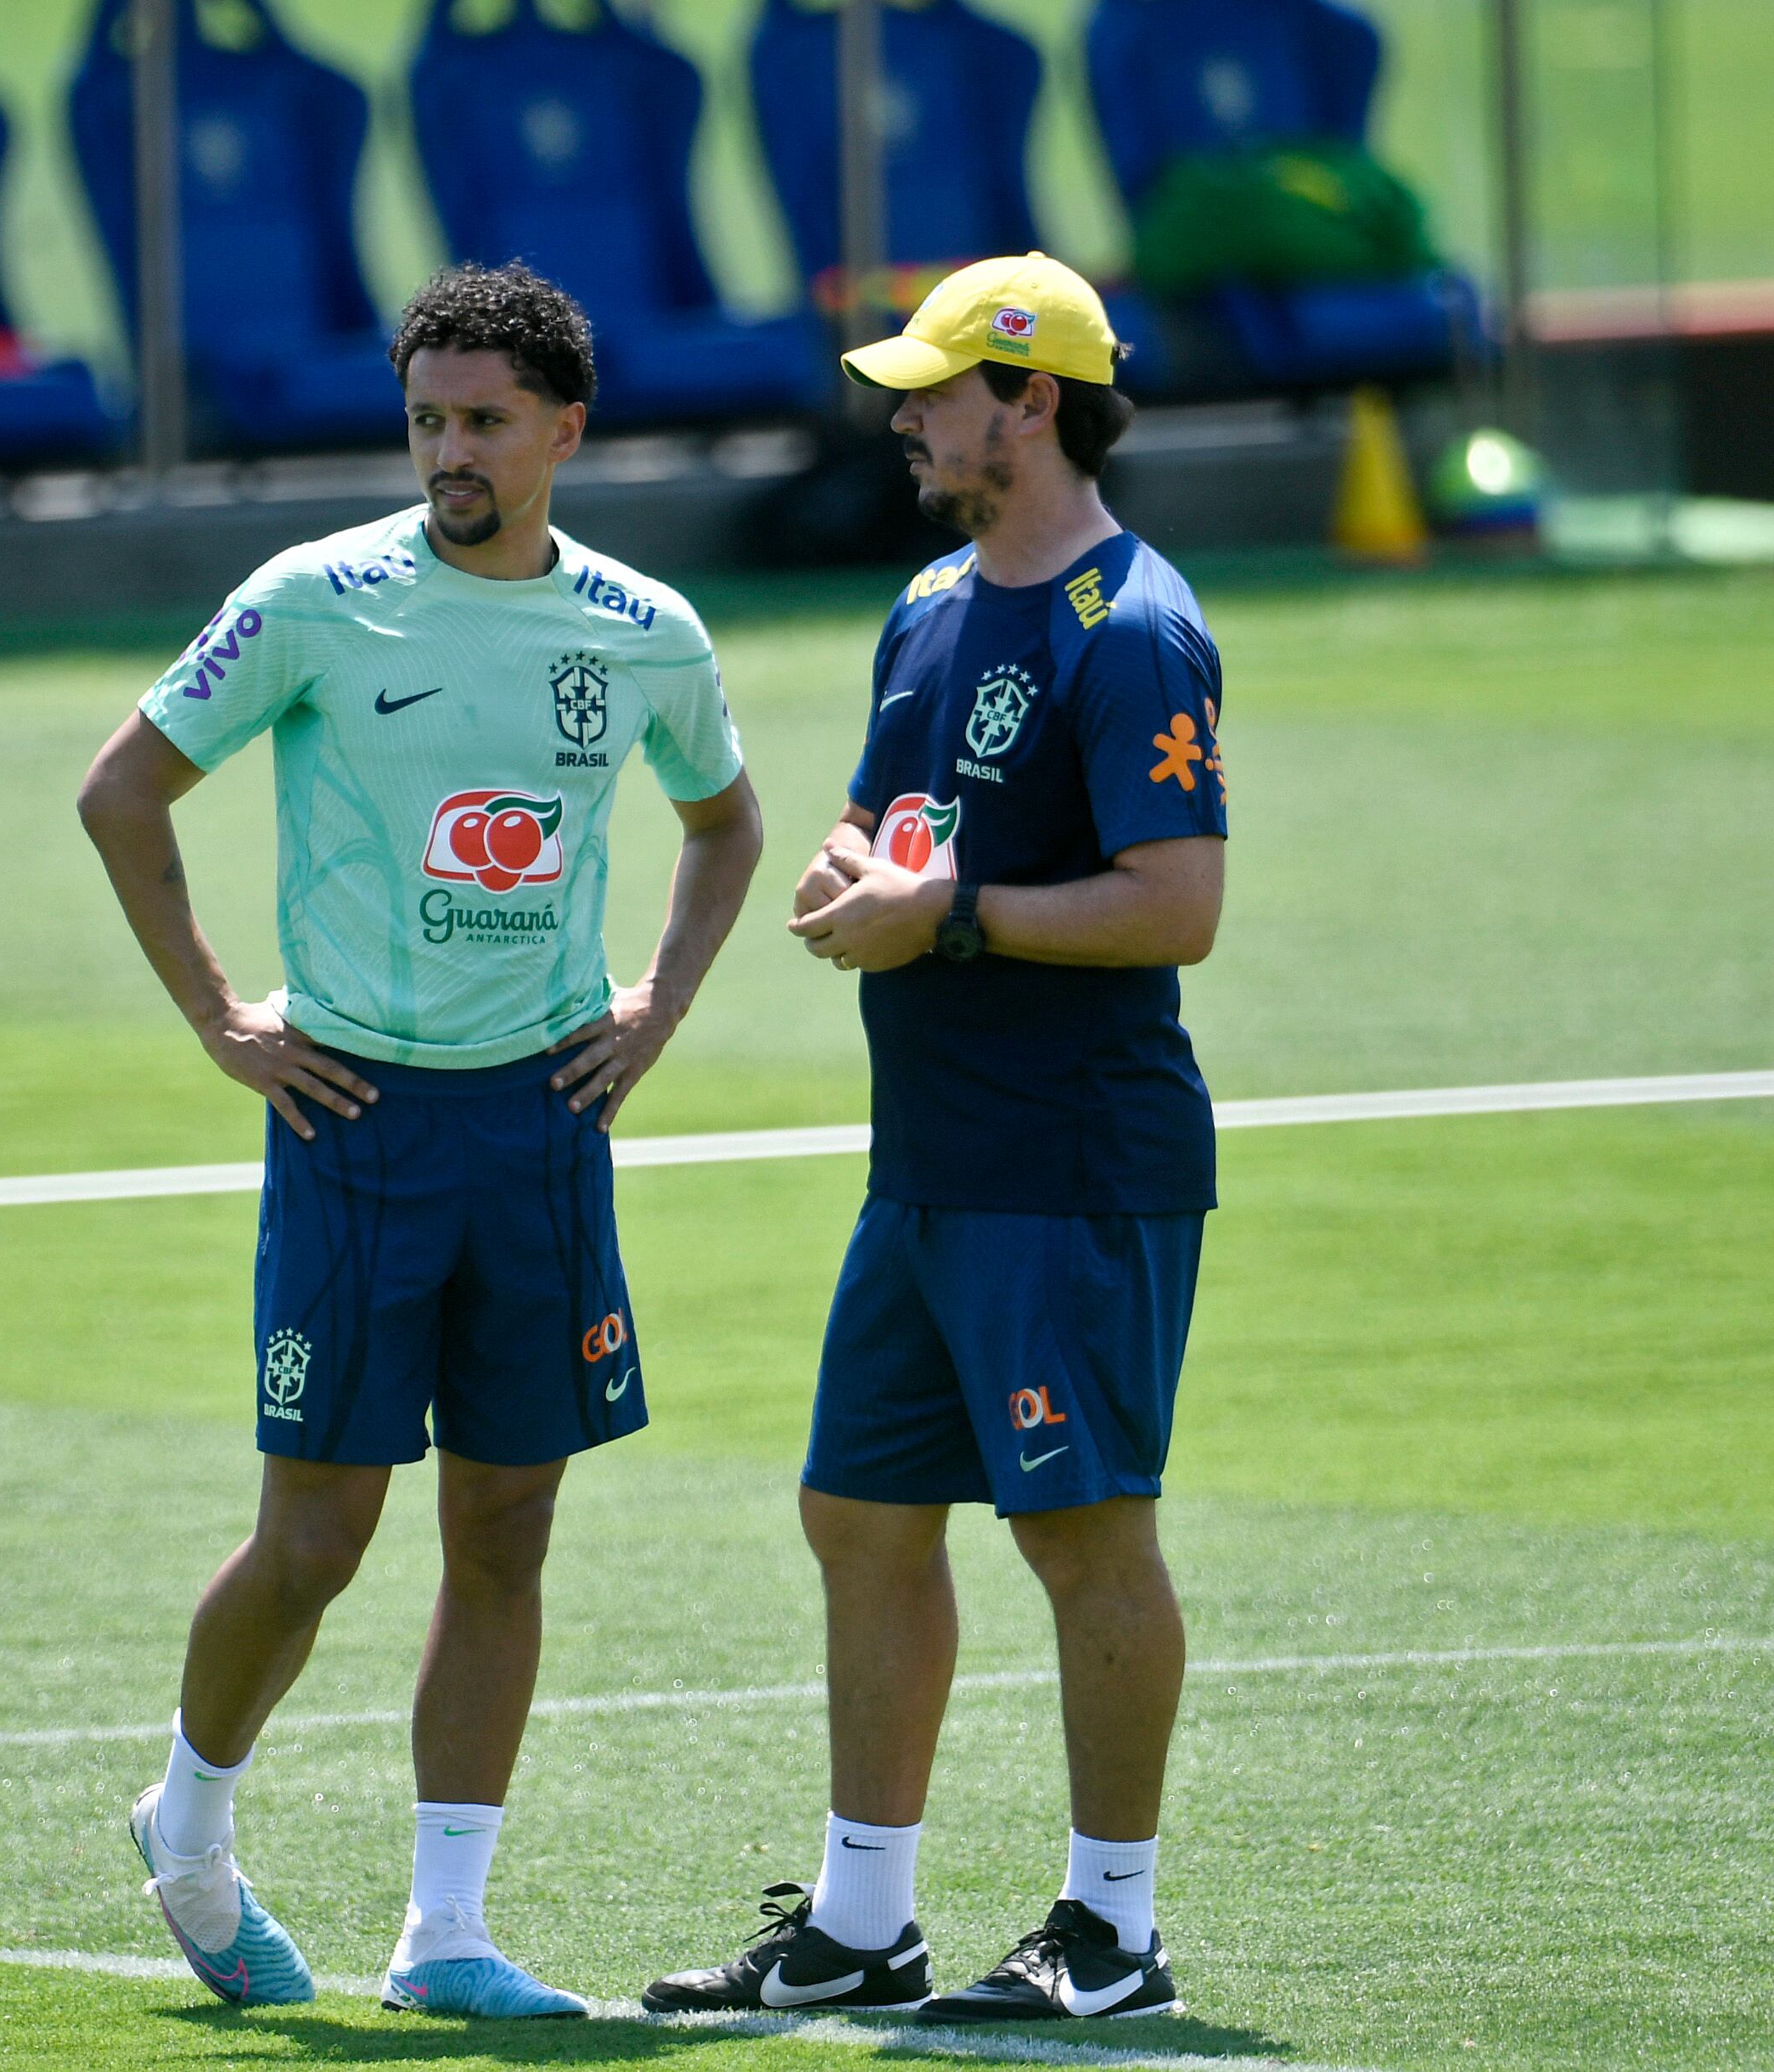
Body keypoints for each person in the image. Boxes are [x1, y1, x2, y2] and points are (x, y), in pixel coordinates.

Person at [76, 262, 764, 2019]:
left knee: (508, 1528)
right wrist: (226, 1015)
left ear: (562, 431)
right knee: (315, 1538)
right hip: (358, 1120)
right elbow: (123, 790)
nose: (449, 451)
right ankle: (191, 1818)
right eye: (427, 421)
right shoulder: (314, 600)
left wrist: (656, 1003)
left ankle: (444, 1929)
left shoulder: (640, 628)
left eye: (482, 422)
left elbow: (726, 821)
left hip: (541, 1120)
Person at [642, 253, 1227, 2026]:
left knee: (1082, 1535)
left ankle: (1109, 1928)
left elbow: (1177, 902)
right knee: (860, 1512)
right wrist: (851, 871)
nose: (901, 418)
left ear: (1029, 399)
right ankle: (859, 1917)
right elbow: (884, 818)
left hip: (1066, 1161)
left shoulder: (1130, 629)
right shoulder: (927, 599)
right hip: (931, 1162)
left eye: (931, 390)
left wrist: (948, 912)